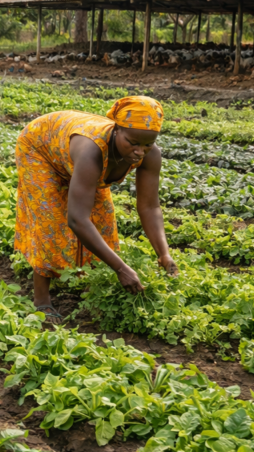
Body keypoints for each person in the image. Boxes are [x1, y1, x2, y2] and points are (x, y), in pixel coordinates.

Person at [14, 95, 178, 325]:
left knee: (103, 220)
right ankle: (41, 299)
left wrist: (164, 253)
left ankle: (90, 283)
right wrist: (120, 268)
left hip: (74, 152)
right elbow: (77, 219)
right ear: (116, 129)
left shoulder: (150, 155)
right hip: (41, 147)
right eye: (132, 142)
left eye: (147, 144)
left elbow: (150, 207)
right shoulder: (92, 151)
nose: (140, 151)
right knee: (50, 222)